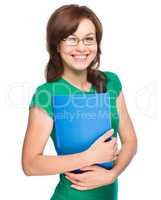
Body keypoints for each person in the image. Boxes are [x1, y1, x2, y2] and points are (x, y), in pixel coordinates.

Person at [21, 4, 137, 200]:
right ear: (57, 45)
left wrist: (112, 174)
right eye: (72, 39)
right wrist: (90, 156)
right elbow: (30, 164)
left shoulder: (110, 83)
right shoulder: (47, 94)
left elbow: (131, 140)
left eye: (88, 39)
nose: (81, 47)